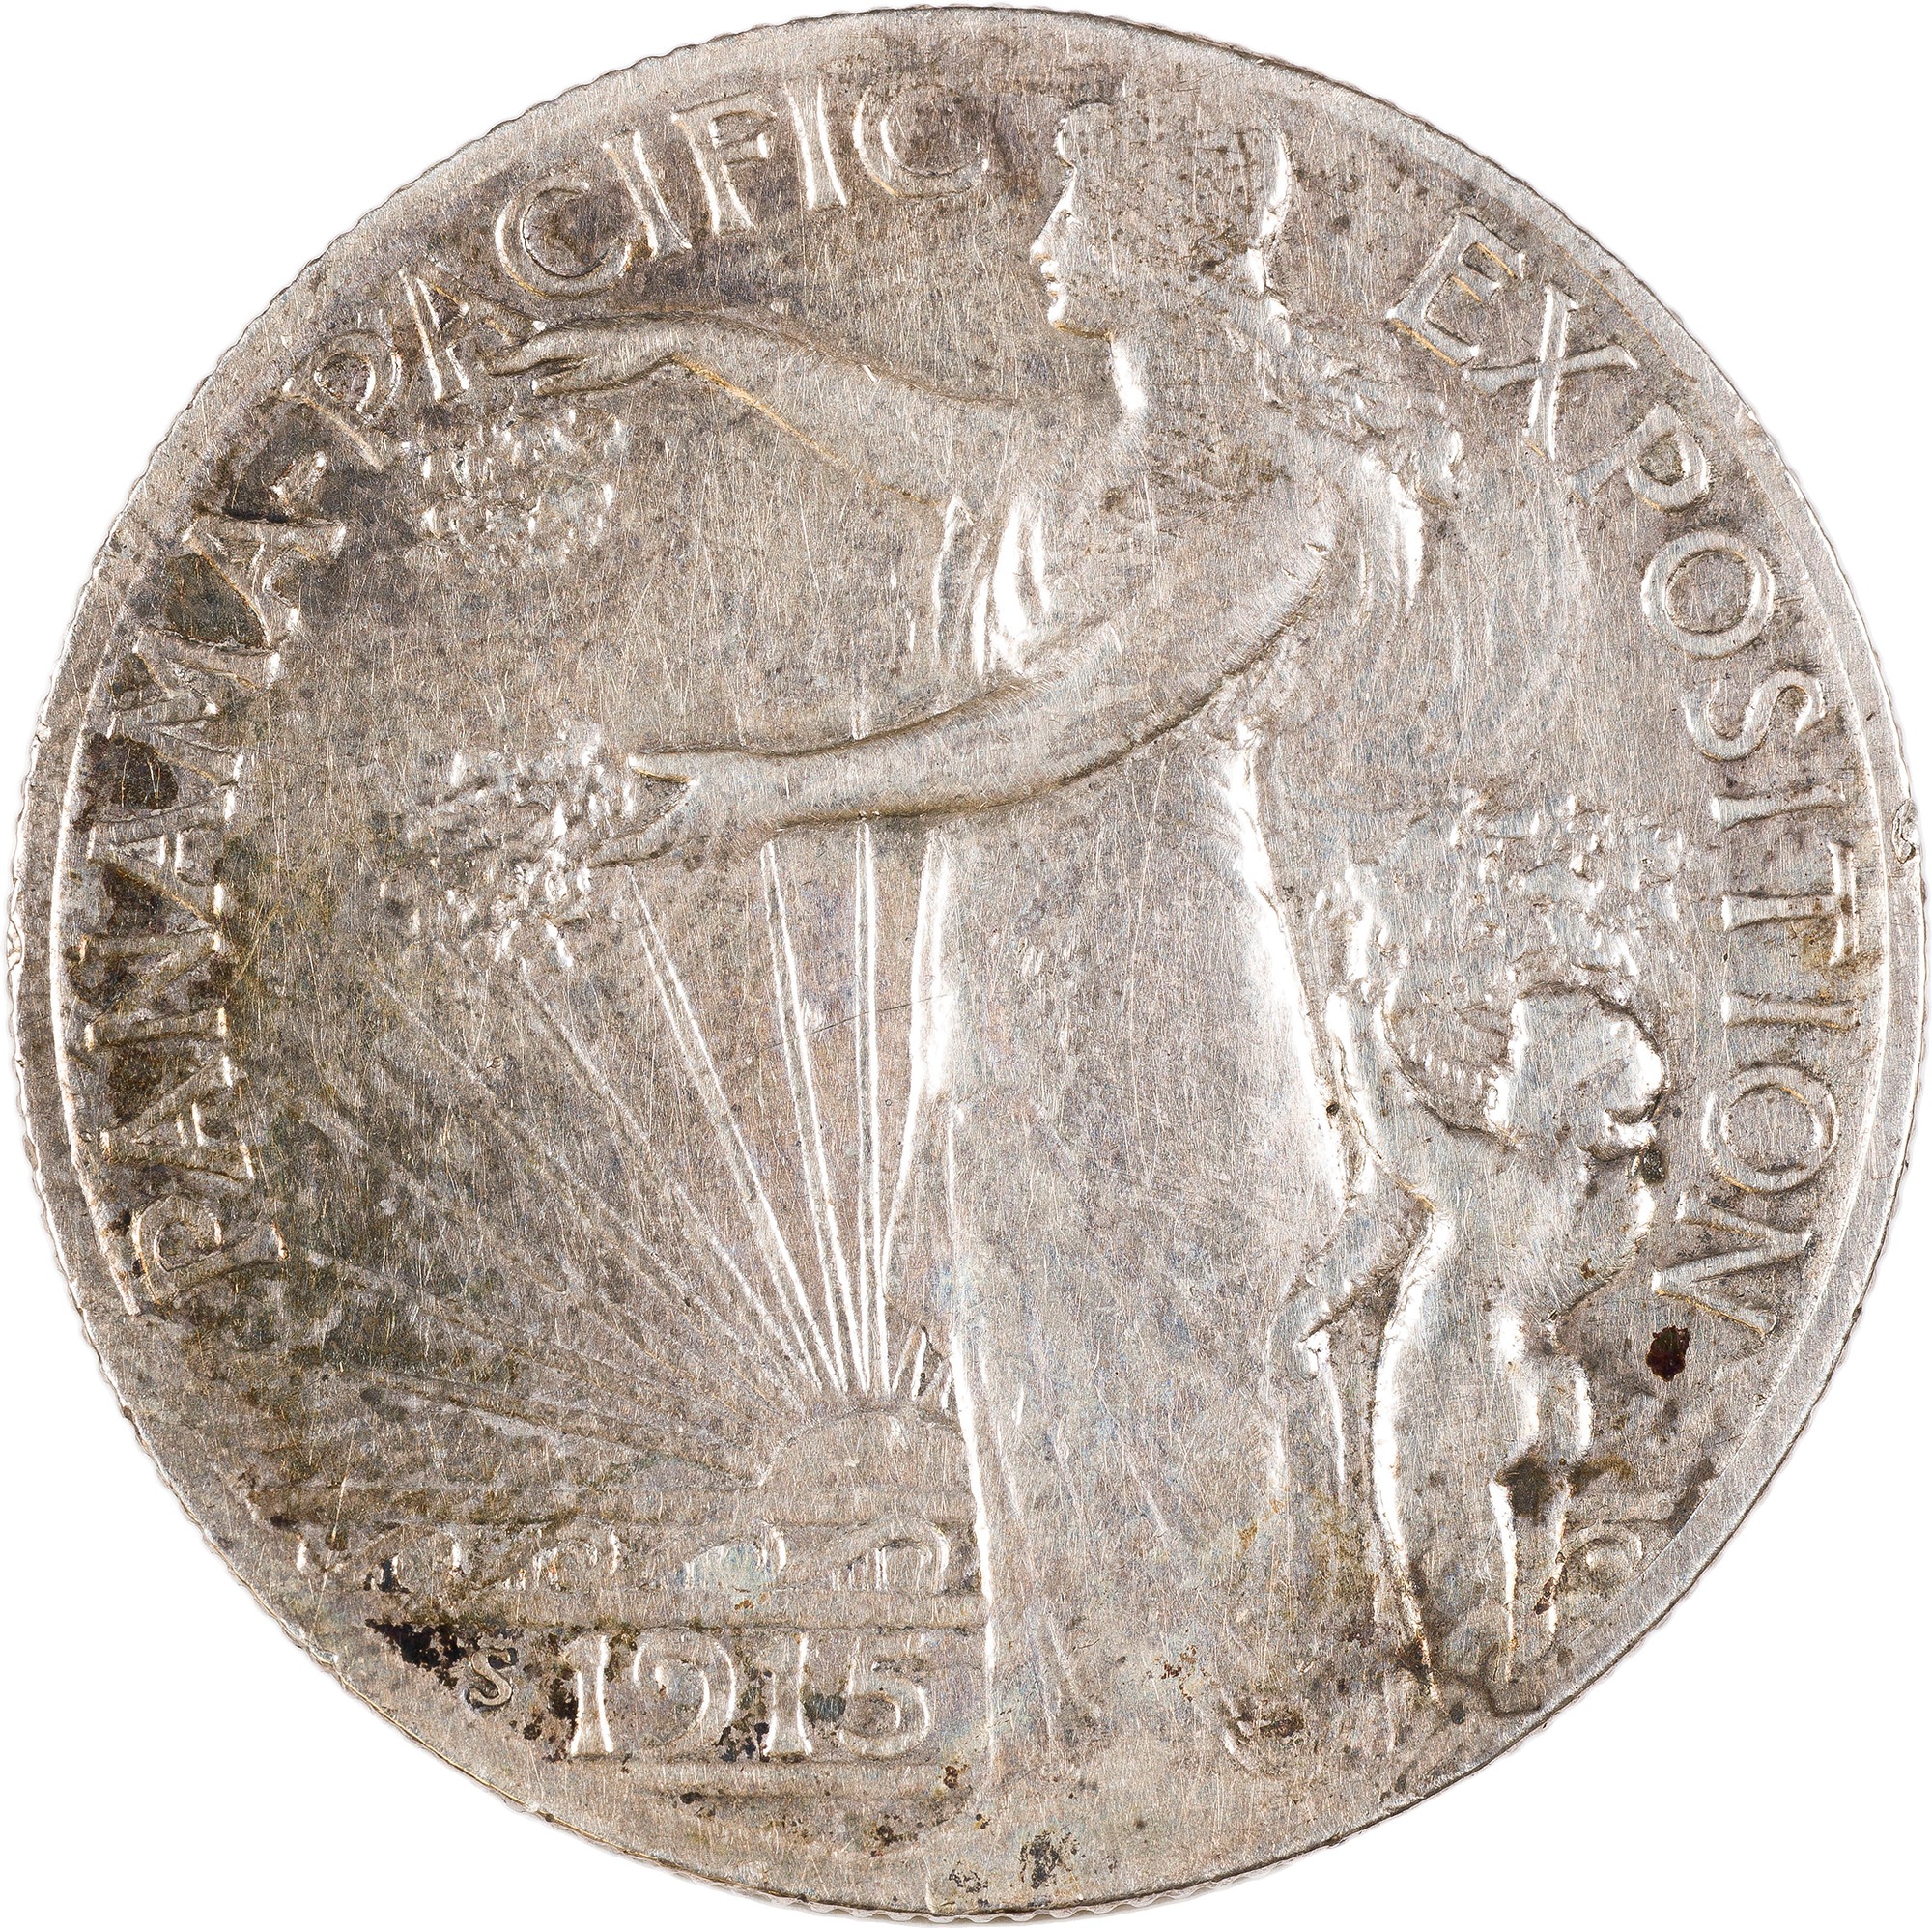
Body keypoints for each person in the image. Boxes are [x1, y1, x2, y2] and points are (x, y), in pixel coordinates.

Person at [494, 100, 1433, 1772]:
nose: (1042, 236)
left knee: (1208, 1334)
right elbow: (896, 426)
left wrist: (771, 793)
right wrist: (694, 345)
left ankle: (1229, 1737)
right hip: (1000, 953)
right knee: (1026, 1330)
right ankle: (1067, 1745)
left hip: (1169, 966)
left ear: (1158, 244)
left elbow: (1067, 724)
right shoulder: (1062, 459)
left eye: (1076, 205)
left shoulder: (1286, 497)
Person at [1287, 950, 1663, 1714]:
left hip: (1457, 1387)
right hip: (1544, 1388)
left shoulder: (1498, 1175)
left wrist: (1355, 1027)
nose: (1498, 1074)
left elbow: (1398, 1128)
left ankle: (1466, 1702)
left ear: (1562, 1095)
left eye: (1518, 1063)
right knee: (1532, 1603)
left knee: (1452, 1597)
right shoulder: (1581, 1197)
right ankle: (1520, 1681)